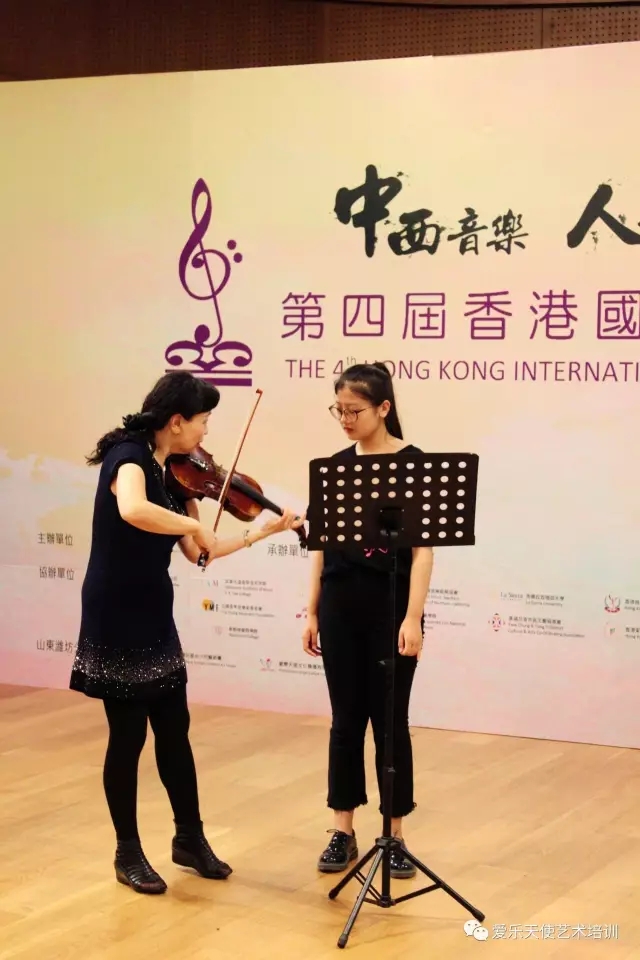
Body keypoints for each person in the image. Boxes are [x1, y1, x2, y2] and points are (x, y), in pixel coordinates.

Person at [70, 371, 304, 895]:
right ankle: (127, 851)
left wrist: (263, 531)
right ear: (176, 422)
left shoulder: (176, 479)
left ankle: (189, 839)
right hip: (115, 611)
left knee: (174, 727)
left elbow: (201, 553)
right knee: (128, 736)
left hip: (154, 608)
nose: (205, 435)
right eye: (203, 422)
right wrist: (194, 523)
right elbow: (133, 510)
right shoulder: (129, 457)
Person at [302, 363, 434, 879]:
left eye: (354, 410)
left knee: (391, 724)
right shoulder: (334, 468)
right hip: (340, 606)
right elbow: (319, 548)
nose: (345, 419)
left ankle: (394, 835)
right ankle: (343, 830)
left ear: (383, 408)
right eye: (338, 410)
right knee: (345, 721)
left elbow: (423, 553)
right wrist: (312, 610)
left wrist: (413, 618)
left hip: (390, 607)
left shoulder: (414, 464)